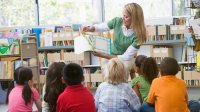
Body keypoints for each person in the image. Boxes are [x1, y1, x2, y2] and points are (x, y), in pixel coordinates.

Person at [82, 3, 146, 77]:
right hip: (111, 52)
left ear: (135, 19)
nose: (123, 18)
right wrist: (90, 28)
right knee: (108, 75)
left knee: (118, 76)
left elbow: (125, 57)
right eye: (123, 15)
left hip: (124, 58)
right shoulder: (118, 21)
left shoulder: (138, 36)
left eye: (126, 17)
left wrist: (102, 55)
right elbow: (102, 27)